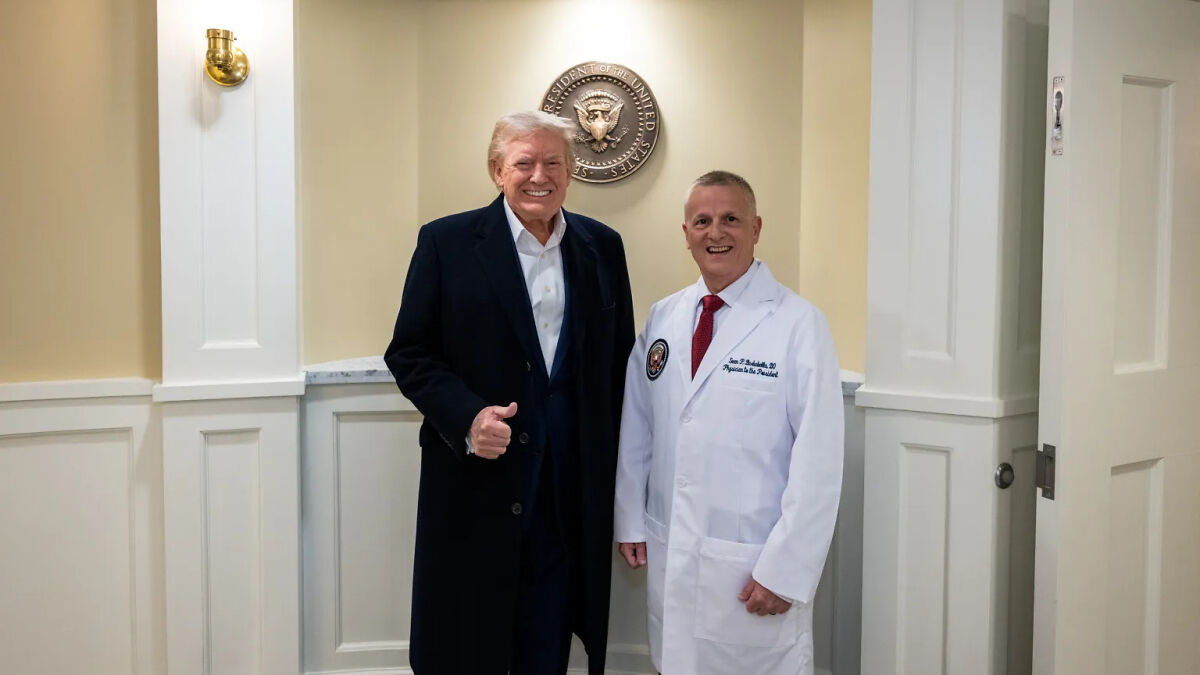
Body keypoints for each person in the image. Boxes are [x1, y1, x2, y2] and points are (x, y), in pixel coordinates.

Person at [385, 110, 635, 675]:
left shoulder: (604, 247)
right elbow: (409, 353)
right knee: (467, 634)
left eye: (553, 162)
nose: (538, 175)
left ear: (571, 173)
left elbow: (617, 365)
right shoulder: (447, 242)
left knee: (549, 634)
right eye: (524, 162)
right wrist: (468, 417)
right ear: (498, 170)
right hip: (477, 482)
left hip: (568, 487)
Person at [613, 170, 843, 675]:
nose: (716, 233)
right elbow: (638, 425)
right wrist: (631, 516)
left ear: (756, 228)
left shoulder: (798, 324)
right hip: (675, 547)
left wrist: (785, 570)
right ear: (687, 233)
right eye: (702, 221)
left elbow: (819, 460)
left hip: (754, 562)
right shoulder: (664, 318)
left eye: (731, 220)